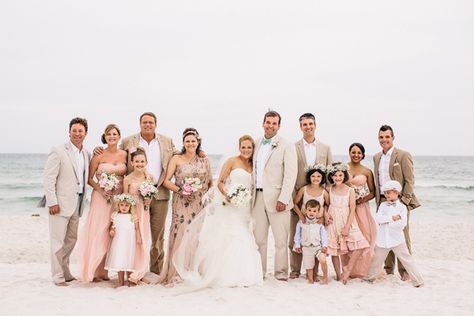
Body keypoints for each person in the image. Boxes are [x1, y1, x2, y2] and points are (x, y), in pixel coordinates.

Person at [173, 135, 263, 289]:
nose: (246, 150)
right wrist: (228, 195)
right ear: (239, 147)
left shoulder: (254, 164)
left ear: (253, 149)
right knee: (232, 235)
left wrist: (242, 198)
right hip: (231, 204)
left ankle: (244, 272)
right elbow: (220, 182)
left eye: (249, 147)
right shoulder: (232, 161)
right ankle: (225, 273)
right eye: (243, 147)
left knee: (245, 235)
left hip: (245, 207)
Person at [94, 112, 177, 276]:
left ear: (156, 124)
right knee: (135, 234)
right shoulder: (128, 141)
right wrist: (99, 148)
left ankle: (155, 270)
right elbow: (113, 153)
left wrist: (200, 152)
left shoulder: (167, 141)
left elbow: (179, 154)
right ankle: (135, 269)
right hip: (135, 197)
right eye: (144, 122)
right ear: (140, 124)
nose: (147, 125)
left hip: (159, 192)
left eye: (150, 122)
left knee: (158, 236)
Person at [160, 128, 213, 284]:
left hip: (199, 203)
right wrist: (181, 190)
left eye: (193, 141)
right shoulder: (176, 159)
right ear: (183, 143)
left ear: (198, 142)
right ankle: (177, 272)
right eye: (187, 141)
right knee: (182, 234)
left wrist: (208, 195)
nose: (190, 143)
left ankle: (192, 269)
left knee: (196, 236)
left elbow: (210, 182)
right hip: (181, 202)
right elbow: (166, 181)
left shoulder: (204, 160)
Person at [43, 117, 91, 286]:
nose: (77, 134)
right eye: (74, 130)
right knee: (57, 241)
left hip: (78, 202)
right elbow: (49, 178)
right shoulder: (58, 151)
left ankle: (66, 271)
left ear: (86, 133)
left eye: (80, 131)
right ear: (69, 132)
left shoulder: (86, 153)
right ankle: (57, 276)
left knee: (71, 240)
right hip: (60, 203)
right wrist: (52, 202)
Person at [78, 124, 127, 283]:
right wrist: (101, 190)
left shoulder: (125, 154)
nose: (112, 137)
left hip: (118, 198)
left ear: (119, 136)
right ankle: (93, 271)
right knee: (98, 231)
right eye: (108, 134)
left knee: (112, 232)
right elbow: (89, 178)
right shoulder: (98, 155)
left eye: (114, 134)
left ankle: (104, 272)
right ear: (104, 137)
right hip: (101, 197)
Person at [252, 110, 297, 281]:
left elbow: (290, 174)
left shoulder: (286, 145)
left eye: (274, 123)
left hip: (278, 199)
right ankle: (260, 272)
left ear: (279, 126)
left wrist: (284, 198)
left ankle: (280, 274)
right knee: (259, 240)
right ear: (263, 123)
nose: (270, 126)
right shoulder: (255, 144)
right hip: (257, 198)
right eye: (268, 122)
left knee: (280, 240)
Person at [373, 125, 420, 281]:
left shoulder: (403, 155)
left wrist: (404, 202)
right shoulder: (376, 157)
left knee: (402, 236)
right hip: (382, 202)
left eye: (387, 137)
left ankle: (405, 271)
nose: (384, 140)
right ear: (378, 138)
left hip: (399, 202)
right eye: (381, 137)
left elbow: (409, 180)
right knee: (385, 235)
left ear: (393, 138)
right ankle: (388, 270)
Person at [290, 112, 332, 279]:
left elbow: (328, 176)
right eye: (304, 124)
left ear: (315, 125)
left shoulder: (326, 148)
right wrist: (294, 202)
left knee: (317, 236)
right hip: (299, 196)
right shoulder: (293, 147)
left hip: (319, 201)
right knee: (296, 234)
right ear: (301, 127)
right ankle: (294, 270)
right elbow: (290, 173)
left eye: (310, 124)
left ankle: (313, 272)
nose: (308, 127)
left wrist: (325, 209)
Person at [365, 180, 424, 287]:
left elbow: (402, 223)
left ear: (397, 193)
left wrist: (388, 222)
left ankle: (418, 280)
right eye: (385, 192)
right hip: (383, 239)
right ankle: (370, 278)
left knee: (407, 260)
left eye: (389, 192)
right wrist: (392, 218)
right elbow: (378, 219)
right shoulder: (382, 206)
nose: (386, 194)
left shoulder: (402, 207)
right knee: (376, 260)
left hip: (397, 239)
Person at [325, 162, 370, 284]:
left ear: (344, 176)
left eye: (340, 175)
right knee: (335, 249)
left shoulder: (350, 190)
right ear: (331, 177)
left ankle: (348, 268)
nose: (338, 178)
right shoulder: (329, 189)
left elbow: (352, 208)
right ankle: (339, 275)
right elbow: (326, 205)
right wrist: (325, 214)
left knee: (360, 245)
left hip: (347, 219)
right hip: (333, 220)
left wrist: (347, 226)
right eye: (335, 176)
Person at [292, 164, 329, 281]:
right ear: (309, 177)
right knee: (308, 248)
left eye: (318, 176)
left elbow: (328, 204)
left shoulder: (324, 192)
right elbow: (294, 203)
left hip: (318, 223)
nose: (316, 178)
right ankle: (308, 274)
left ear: (322, 177)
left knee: (318, 246)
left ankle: (316, 273)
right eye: (313, 176)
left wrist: (324, 217)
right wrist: (301, 215)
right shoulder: (304, 189)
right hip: (305, 222)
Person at [122, 149, 153, 284]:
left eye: (142, 161)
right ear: (132, 162)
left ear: (146, 162)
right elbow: (124, 198)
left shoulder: (149, 178)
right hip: (132, 212)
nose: (140, 164)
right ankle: (130, 271)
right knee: (133, 240)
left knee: (144, 240)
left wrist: (148, 200)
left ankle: (138, 272)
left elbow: (150, 195)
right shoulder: (127, 179)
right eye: (137, 161)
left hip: (144, 211)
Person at [347, 143, 377, 278]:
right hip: (347, 208)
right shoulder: (343, 168)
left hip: (361, 208)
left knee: (366, 236)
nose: (356, 155)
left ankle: (364, 270)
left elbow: (373, 192)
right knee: (349, 237)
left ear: (363, 155)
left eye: (359, 153)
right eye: (353, 152)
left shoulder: (367, 171)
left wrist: (361, 200)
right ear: (349, 153)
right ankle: (350, 269)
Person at [105, 194, 142, 287]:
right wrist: (112, 231)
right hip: (119, 241)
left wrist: (138, 237)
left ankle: (129, 280)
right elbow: (112, 227)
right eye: (122, 205)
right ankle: (120, 281)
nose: (124, 207)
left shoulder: (133, 216)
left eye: (126, 205)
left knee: (129, 259)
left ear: (130, 206)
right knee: (119, 259)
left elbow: (137, 228)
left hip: (129, 241)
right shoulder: (115, 215)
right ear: (118, 205)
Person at [293, 199, 329, 284]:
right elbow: (297, 235)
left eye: (314, 211)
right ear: (305, 210)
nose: (311, 212)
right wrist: (297, 245)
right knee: (309, 265)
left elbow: (324, 236)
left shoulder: (319, 223)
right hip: (306, 247)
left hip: (318, 247)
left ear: (318, 212)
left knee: (323, 259)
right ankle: (310, 279)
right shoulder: (301, 222)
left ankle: (325, 276)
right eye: (309, 210)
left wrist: (324, 245)